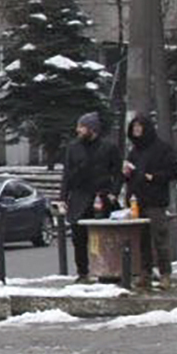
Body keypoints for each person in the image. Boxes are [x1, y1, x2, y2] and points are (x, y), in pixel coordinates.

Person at [122, 113, 177, 291]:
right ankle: (145, 274)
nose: (136, 130)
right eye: (134, 127)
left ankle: (165, 274)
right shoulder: (134, 151)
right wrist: (126, 174)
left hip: (155, 200)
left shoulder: (162, 148)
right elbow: (130, 176)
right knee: (142, 240)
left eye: (139, 127)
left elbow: (173, 171)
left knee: (159, 238)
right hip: (137, 200)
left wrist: (153, 177)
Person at [60, 112, 121, 281]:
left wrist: (114, 193)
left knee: (104, 236)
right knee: (79, 238)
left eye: (82, 127)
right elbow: (67, 174)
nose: (78, 130)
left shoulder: (108, 147)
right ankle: (83, 272)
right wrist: (63, 197)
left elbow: (117, 173)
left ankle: (107, 272)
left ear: (92, 129)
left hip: (101, 197)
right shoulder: (73, 148)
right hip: (79, 196)